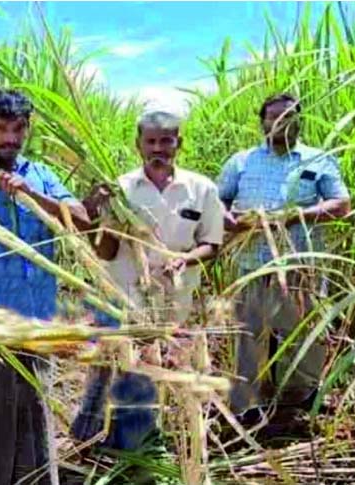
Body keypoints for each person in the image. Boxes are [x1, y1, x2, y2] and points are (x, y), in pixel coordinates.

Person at [0, 88, 91, 485]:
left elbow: (79, 217)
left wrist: (29, 195)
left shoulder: (40, 175)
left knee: (33, 414)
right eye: (0, 129)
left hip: (37, 319)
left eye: (18, 129)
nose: (10, 138)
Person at [73, 110, 224, 449]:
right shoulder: (121, 189)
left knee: (152, 374)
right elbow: (107, 253)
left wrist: (185, 258)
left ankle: (135, 446)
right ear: (138, 144)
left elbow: (211, 243)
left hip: (172, 302)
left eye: (166, 140)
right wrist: (103, 219)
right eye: (151, 141)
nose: (159, 148)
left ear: (178, 143)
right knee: (112, 372)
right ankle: (99, 443)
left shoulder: (201, 189)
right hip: (123, 297)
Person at [217, 93, 351, 418]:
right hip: (251, 264)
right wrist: (228, 219)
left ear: (299, 120)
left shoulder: (318, 159)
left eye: (288, 116)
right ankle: (249, 402)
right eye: (273, 117)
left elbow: (341, 204)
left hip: (299, 265)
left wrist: (294, 216)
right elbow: (217, 201)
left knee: (301, 331)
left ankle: (301, 396)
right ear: (262, 122)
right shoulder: (242, 161)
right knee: (249, 332)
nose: (280, 123)